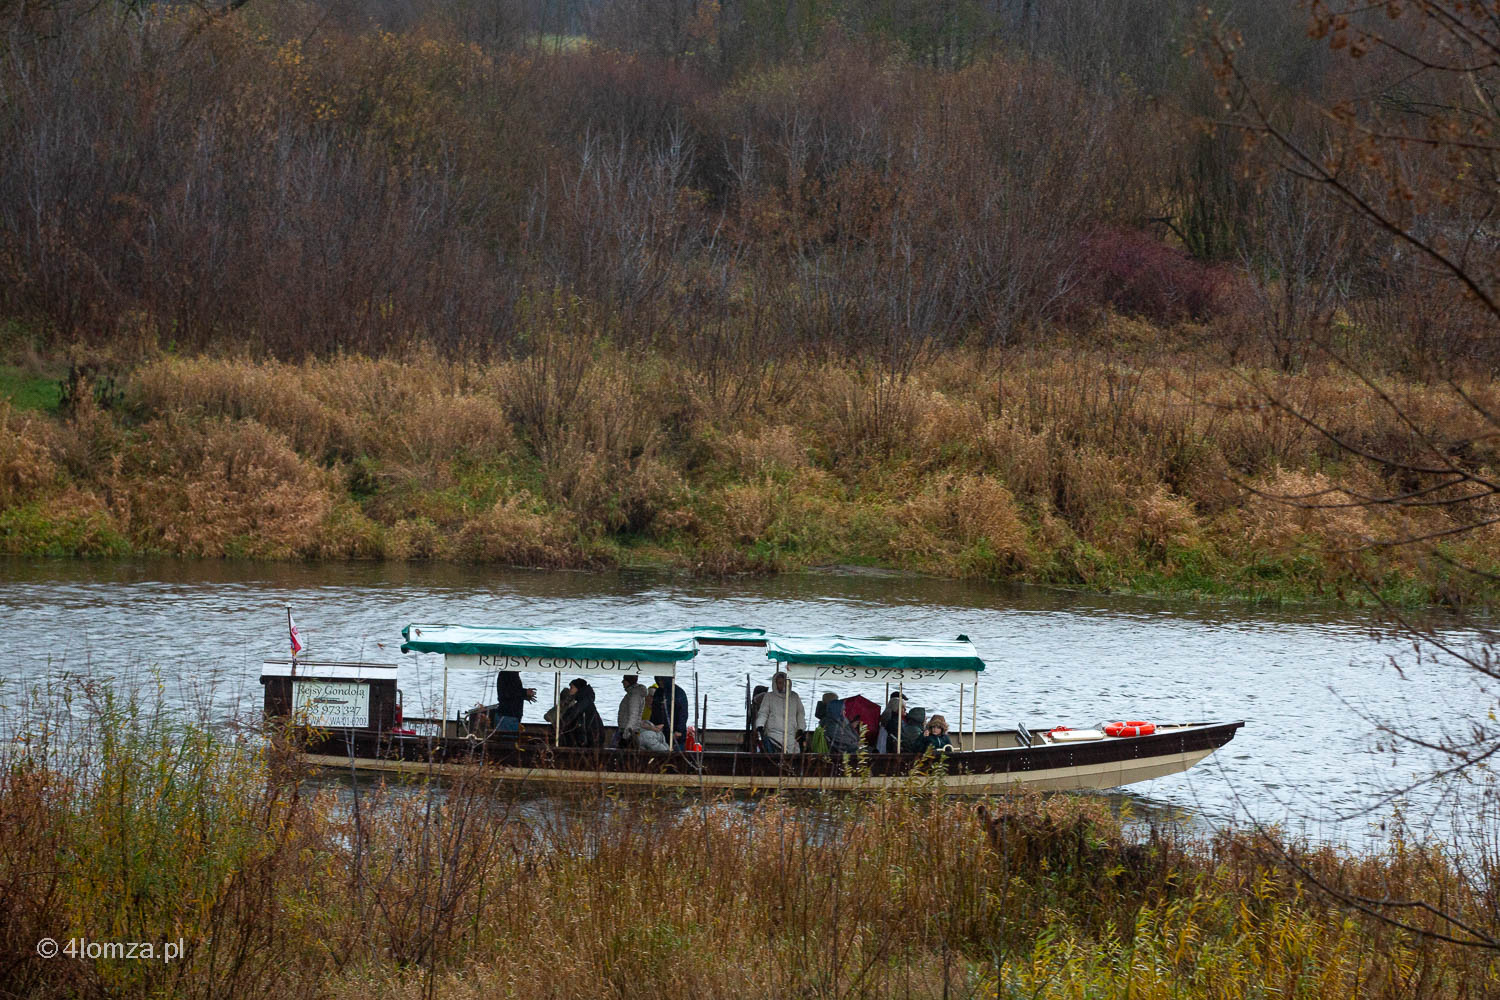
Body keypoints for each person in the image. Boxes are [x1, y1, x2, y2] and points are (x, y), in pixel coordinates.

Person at [754, 671, 805, 754]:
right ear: (775, 684)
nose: (782, 685)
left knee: (794, 754)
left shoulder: (794, 696)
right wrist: (760, 726)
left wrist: (801, 729)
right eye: (780, 683)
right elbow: (763, 713)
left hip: (791, 735)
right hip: (774, 734)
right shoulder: (769, 697)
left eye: (784, 682)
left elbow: (800, 714)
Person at [559, 677, 605, 748]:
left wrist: (562, 723)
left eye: (572, 687)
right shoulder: (584, 699)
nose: (570, 690)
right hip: (592, 735)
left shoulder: (584, 701)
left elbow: (574, 713)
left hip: (592, 737)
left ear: (578, 688)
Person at [650, 675, 690, 749]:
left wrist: (679, 730)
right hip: (660, 731)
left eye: (662, 680)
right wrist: (653, 725)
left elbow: (683, 714)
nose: (660, 682)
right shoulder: (658, 692)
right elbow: (654, 711)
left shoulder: (679, 693)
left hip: (675, 732)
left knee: (676, 752)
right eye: (658, 680)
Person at [615, 675, 651, 747]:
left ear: (629, 681)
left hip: (629, 733)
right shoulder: (632, 694)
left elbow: (633, 715)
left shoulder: (634, 695)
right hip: (629, 731)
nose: (622, 682)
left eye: (624, 680)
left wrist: (627, 733)